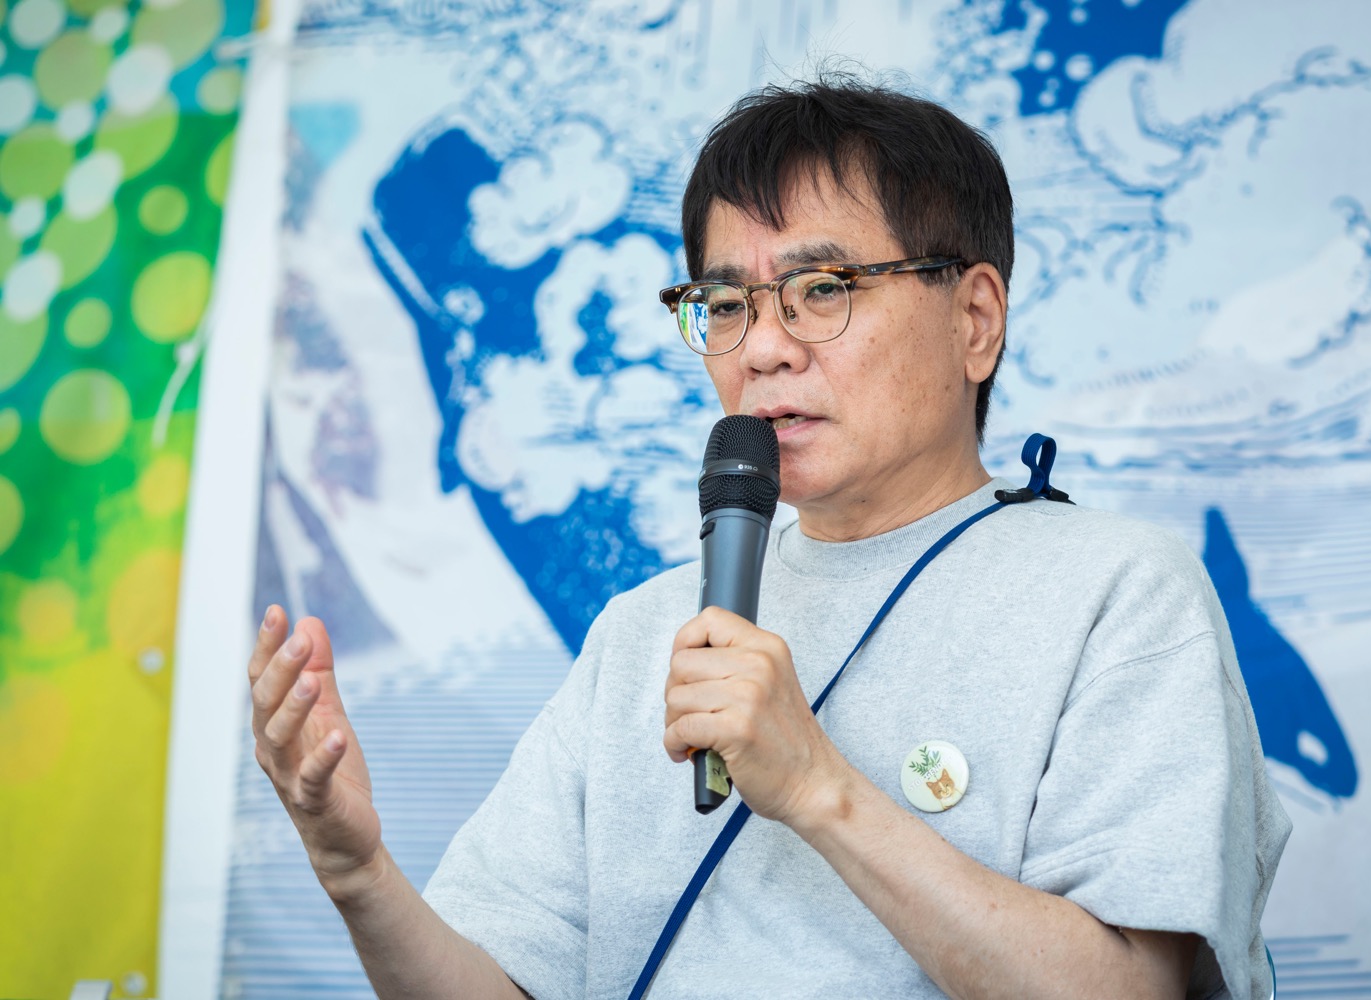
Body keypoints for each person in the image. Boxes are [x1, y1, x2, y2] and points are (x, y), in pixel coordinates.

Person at [247, 77, 1291, 999]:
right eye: (725, 303)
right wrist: (357, 871)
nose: (762, 349)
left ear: (975, 319)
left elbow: (1128, 990)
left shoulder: (1118, 589)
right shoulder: (643, 629)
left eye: (821, 290)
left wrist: (816, 787)